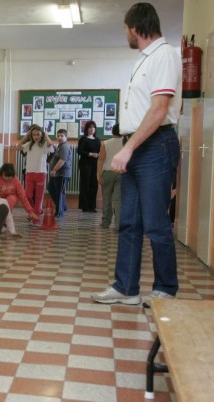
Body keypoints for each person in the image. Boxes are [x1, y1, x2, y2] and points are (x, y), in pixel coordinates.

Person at [91, 2, 182, 306]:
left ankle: (165, 290)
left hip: (155, 146)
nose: (126, 34)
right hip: (138, 146)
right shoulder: (143, 60)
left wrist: (127, 149)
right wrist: (129, 146)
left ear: (135, 26)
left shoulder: (165, 55)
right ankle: (126, 288)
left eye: (125, 29)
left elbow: (159, 109)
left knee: (156, 223)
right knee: (129, 221)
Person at [15, 124, 54, 225]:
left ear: (42, 135)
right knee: (28, 195)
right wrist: (25, 137)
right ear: (31, 135)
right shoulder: (29, 145)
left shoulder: (44, 145)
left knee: (38, 198)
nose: (36, 136)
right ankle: (34, 212)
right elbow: (18, 148)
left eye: (38, 134)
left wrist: (45, 134)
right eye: (34, 135)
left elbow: (50, 143)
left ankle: (36, 219)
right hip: (29, 173)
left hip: (41, 173)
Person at [97, 123, 123, 228]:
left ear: (112, 131)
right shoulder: (126, 143)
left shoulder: (105, 143)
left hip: (107, 172)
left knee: (107, 199)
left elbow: (101, 159)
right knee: (118, 200)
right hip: (121, 173)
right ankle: (119, 224)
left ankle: (105, 222)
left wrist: (98, 174)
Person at [77, 120, 101, 212]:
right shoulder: (83, 138)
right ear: (87, 129)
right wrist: (90, 154)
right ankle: (85, 206)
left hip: (95, 164)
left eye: (93, 127)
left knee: (94, 185)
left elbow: (99, 151)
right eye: (90, 127)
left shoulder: (97, 140)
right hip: (85, 164)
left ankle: (92, 206)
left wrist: (99, 155)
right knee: (85, 185)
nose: (92, 129)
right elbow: (79, 151)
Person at [48, 129, 72, 218]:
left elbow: (62, 160)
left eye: (62, 136)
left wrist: (54, 170)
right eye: (58, 136)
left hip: (62, 174)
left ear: (66, 137)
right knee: (51, 188)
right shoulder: (59, 146)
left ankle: (59, 212)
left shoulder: (65, 147)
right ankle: (62, 206)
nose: (59, 137)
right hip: (57, 174)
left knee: (60, 193)